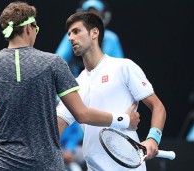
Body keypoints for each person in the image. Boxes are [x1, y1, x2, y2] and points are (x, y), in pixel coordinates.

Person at [0, 2, 140, 171]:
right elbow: (82, 114)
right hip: (46, 165)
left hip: (1, 165)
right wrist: (124, 120)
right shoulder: (53, 63)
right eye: (36, 29)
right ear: (29, 29)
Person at [57, 12, 166, 171]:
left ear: (94, 32)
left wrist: (153, 139)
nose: (70, 38)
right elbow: (57, 124)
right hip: (93, 167)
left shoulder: (124, 67)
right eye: (69, 34)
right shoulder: (75, 84)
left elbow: (158, 107)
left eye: (76, 31)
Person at [56, 0, 124, 76]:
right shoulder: (72, 35)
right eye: (88, 14)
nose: (92, 18)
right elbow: (59, 61)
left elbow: (119, 67)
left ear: (103, 15)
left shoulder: (111, 38)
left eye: (96, 14)